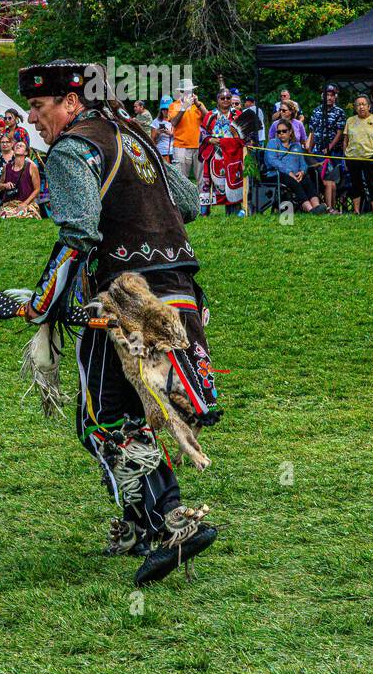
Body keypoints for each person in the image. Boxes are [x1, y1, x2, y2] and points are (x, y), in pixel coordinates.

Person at [19, 59, 219, 587]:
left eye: (39, 108)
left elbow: (80, 232)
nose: (34, 120)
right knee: (136, 411)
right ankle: (135, 524)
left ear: (70, 102)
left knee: (104, 420)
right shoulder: (131, 135)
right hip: (178, 294)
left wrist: (42, 297)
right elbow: (189, 203)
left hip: (122, 301)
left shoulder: (72, 148)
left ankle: (171, 523)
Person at [198, 86, 246, 214]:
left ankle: (234, 209)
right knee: (208, 182)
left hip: (233, 155)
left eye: (228, 98)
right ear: (217, 100)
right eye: (222, 98)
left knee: (233, 180)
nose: (225, 100)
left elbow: (244, 135)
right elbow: (202, 132)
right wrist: (209, 140)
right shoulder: (210, 116)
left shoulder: (237, 115)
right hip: (215, 154)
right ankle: (204, 211)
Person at [343, 95, 373, 214]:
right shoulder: (350, 120)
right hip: (353, 157)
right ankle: (356, 210)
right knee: (355, 184)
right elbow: (345, 140)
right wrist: (345, 156)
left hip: (370, 156)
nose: (361, 107)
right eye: (358, 105)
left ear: (369, 106)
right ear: (355, 107)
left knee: (371, 183)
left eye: (363, 104)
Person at [264, 120, 319, 211]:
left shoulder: (296, 146)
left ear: (290, 132)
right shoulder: (273, 143)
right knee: (293, 181)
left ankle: (317, 206)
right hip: (276, 174)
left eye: (284, 131)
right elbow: (272, 160)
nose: (281, 134)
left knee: (307, 179)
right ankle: (309, 209)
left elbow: (303, 163)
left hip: (295, 174)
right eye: (278, 132)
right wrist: (289, 172)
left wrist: (302, 171)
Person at [307, 84, 345, 212]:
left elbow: (340, 132)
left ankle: (333, 207)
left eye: (332, 95)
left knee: (333, 180)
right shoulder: (316, 111)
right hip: (318, 150)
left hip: (334, 152)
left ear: (335, 97)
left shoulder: (339, 112)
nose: (329, 98)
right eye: (327, 95)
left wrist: (329, 147)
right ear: (322, 96)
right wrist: (309, 149)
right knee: (321, 179)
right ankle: (325, 207)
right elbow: (313, 131)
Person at [166, 78, 205, 183]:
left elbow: (208, 118)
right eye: (185, 91)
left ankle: (201, 199)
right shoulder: (174, 105)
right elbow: (173, 122)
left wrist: (198, 104)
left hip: (198, 146)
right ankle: (182, 200)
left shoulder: (198, 104)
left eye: (190, 91)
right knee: (181, 180)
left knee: (201, 180)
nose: (188, 93)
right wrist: (184, 107)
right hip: (180, 147)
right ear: (181, 92)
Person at [0, 136, 42, 218]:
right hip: (9, 204)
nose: (17, 146)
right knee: (6, 217)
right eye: (16, 145)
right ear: (13, 150)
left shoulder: (32, 166)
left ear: (26, 152)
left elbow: (37, 189)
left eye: (21, 146)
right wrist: (5, 185)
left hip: (27, 203)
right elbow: (0, 185)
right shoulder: (6, 167)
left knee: (26, 216)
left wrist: (25, 203)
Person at [150, 96, 174, 161]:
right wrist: (157, 133)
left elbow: (181, 136)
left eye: (167, 109)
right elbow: (152, 140)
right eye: (163, 109)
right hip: (161, 152)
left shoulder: (175, 120)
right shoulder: (156, 122)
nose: (165, 111)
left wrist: (170, 133)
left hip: (174, 152)